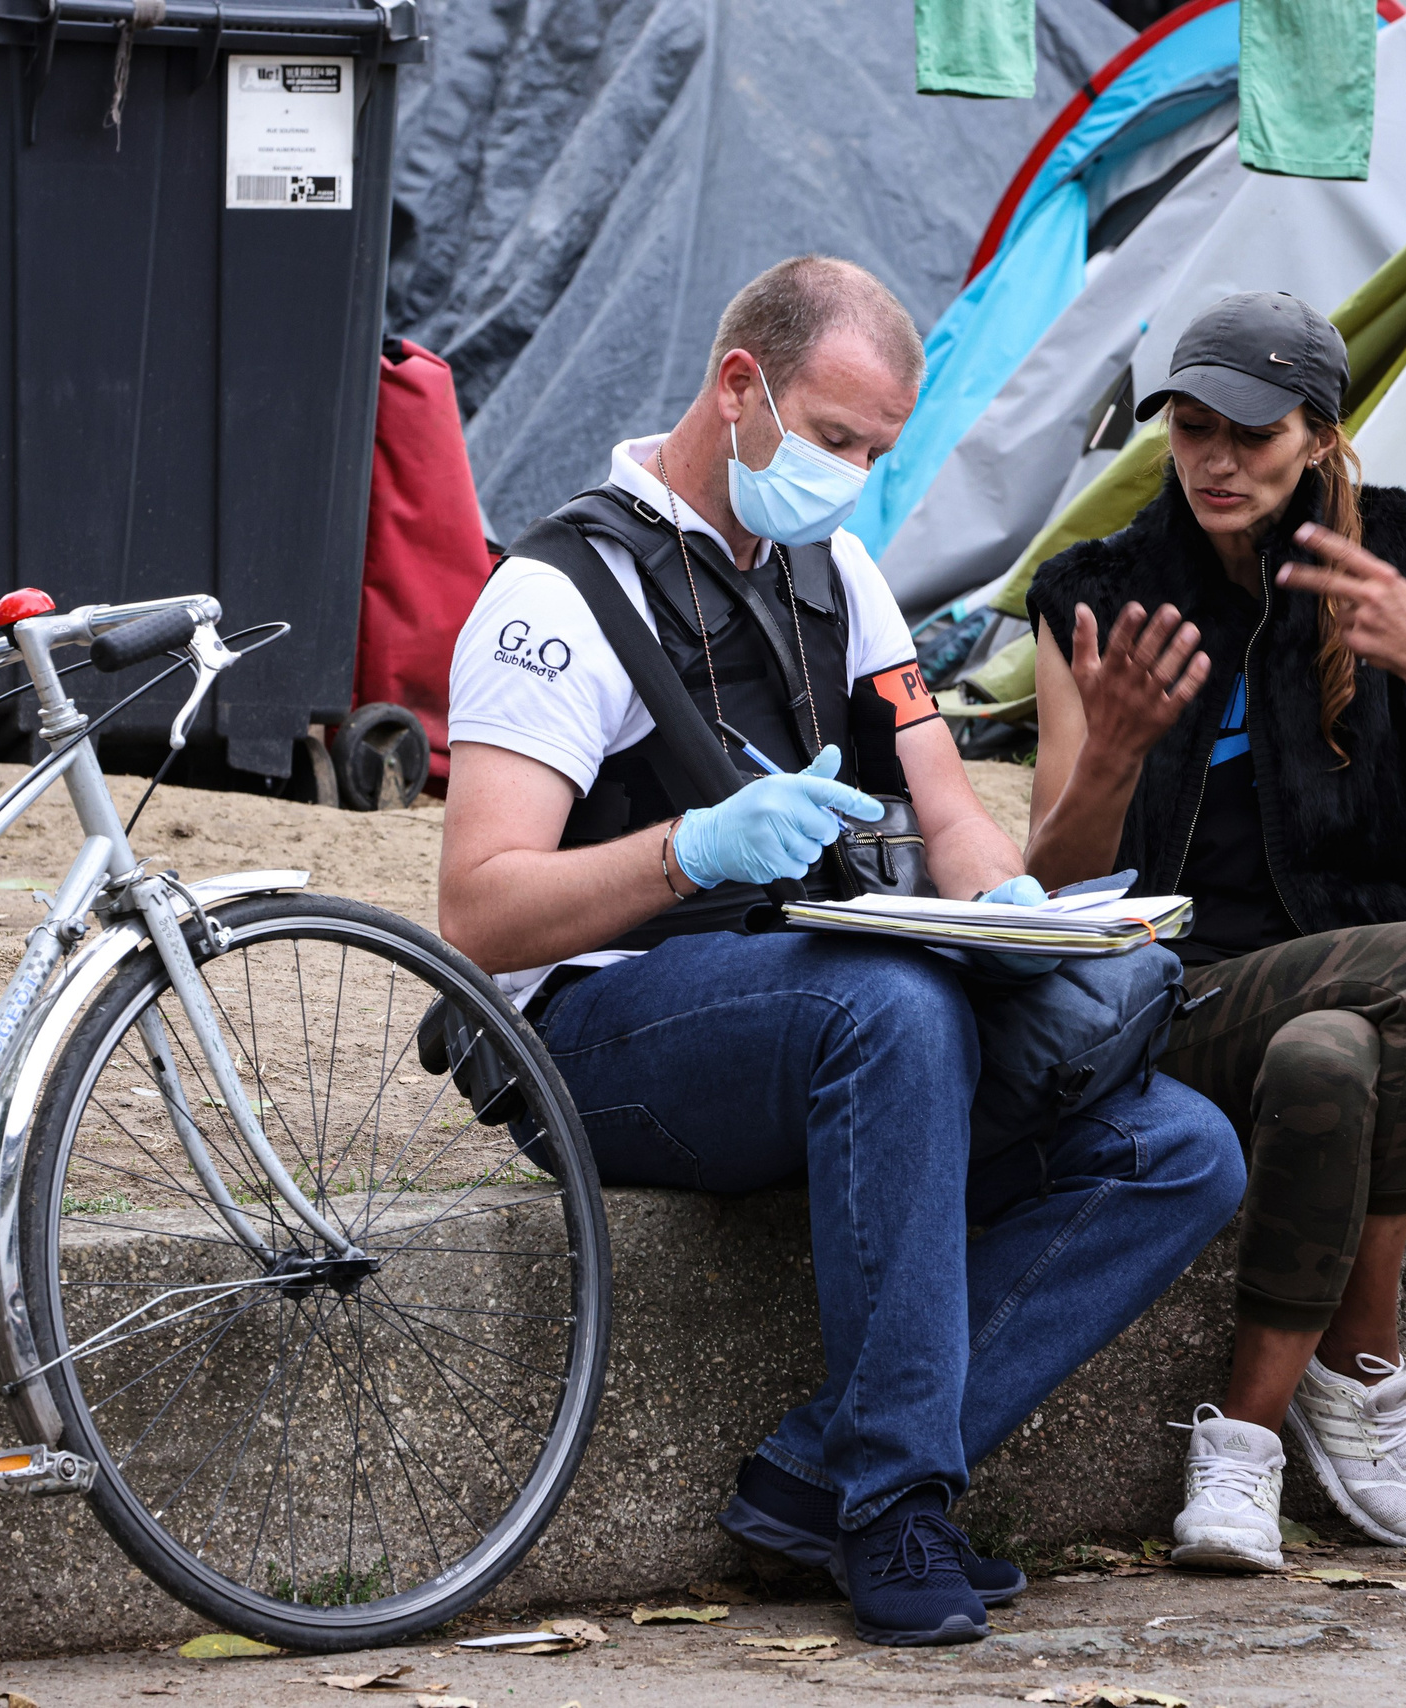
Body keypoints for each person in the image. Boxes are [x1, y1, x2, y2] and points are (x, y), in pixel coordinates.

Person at [438, 256, 1246, 1646]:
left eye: (877, 452)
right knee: (888, 1008)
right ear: (740, 386)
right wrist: (689, 850)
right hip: (600, 1037)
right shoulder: (553, 598)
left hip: (827, 1009)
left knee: (1179, 1149)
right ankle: (895, 1504)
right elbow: (481, 914)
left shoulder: (840, 574)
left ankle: (815, 1475)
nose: (854, 479)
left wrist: (1015, 915)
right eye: (834, 440)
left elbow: (947, 810)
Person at [1021, 291, 1406, 1572]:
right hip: (1173, 998)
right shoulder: (1095, 593)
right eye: (1191, 428)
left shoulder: (1394, 556)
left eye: (1250, 431)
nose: (1216, 459)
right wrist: (1113, 760)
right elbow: (1054, 895)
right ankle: (1361, 1356)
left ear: (1320, 435)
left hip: (1343, 1014)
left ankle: (1244, 1439)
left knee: (1328, 1060)